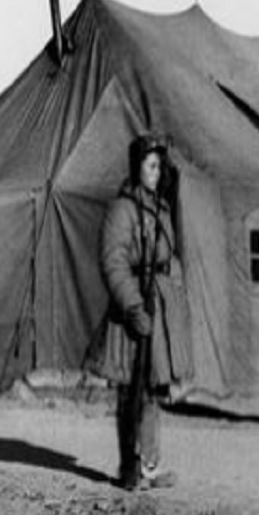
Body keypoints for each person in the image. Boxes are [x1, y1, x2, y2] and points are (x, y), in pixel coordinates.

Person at [89, 132, 193, 490]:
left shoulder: (160, 207)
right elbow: (113, 262)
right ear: (137, 168)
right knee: (130, 390)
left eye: (159, 165)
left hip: (157, 307)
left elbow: (168, 256)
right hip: (132, 309)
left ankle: (149, 464)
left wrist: (174, 295)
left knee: (151, 389)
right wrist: (133, 306)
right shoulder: (123, 210)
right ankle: (129, 465)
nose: (157, 170)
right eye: (151, 165)